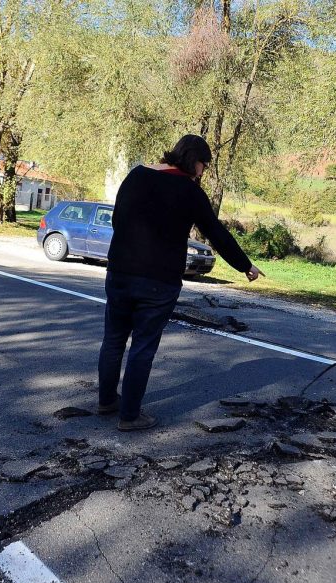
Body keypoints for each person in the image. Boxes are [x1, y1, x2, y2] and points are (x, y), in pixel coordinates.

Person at [97, 134, 262, 431]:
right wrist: (244, 265)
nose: (203, 171)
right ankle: (130, 416)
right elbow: (216, 233)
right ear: (194, 161)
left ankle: (107, 401)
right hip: (158, 281)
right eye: (204, 165)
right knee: (143, 347)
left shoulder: (136, 175)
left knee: (113, 340)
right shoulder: (189, 192)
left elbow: (117, 218)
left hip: (120, 272)